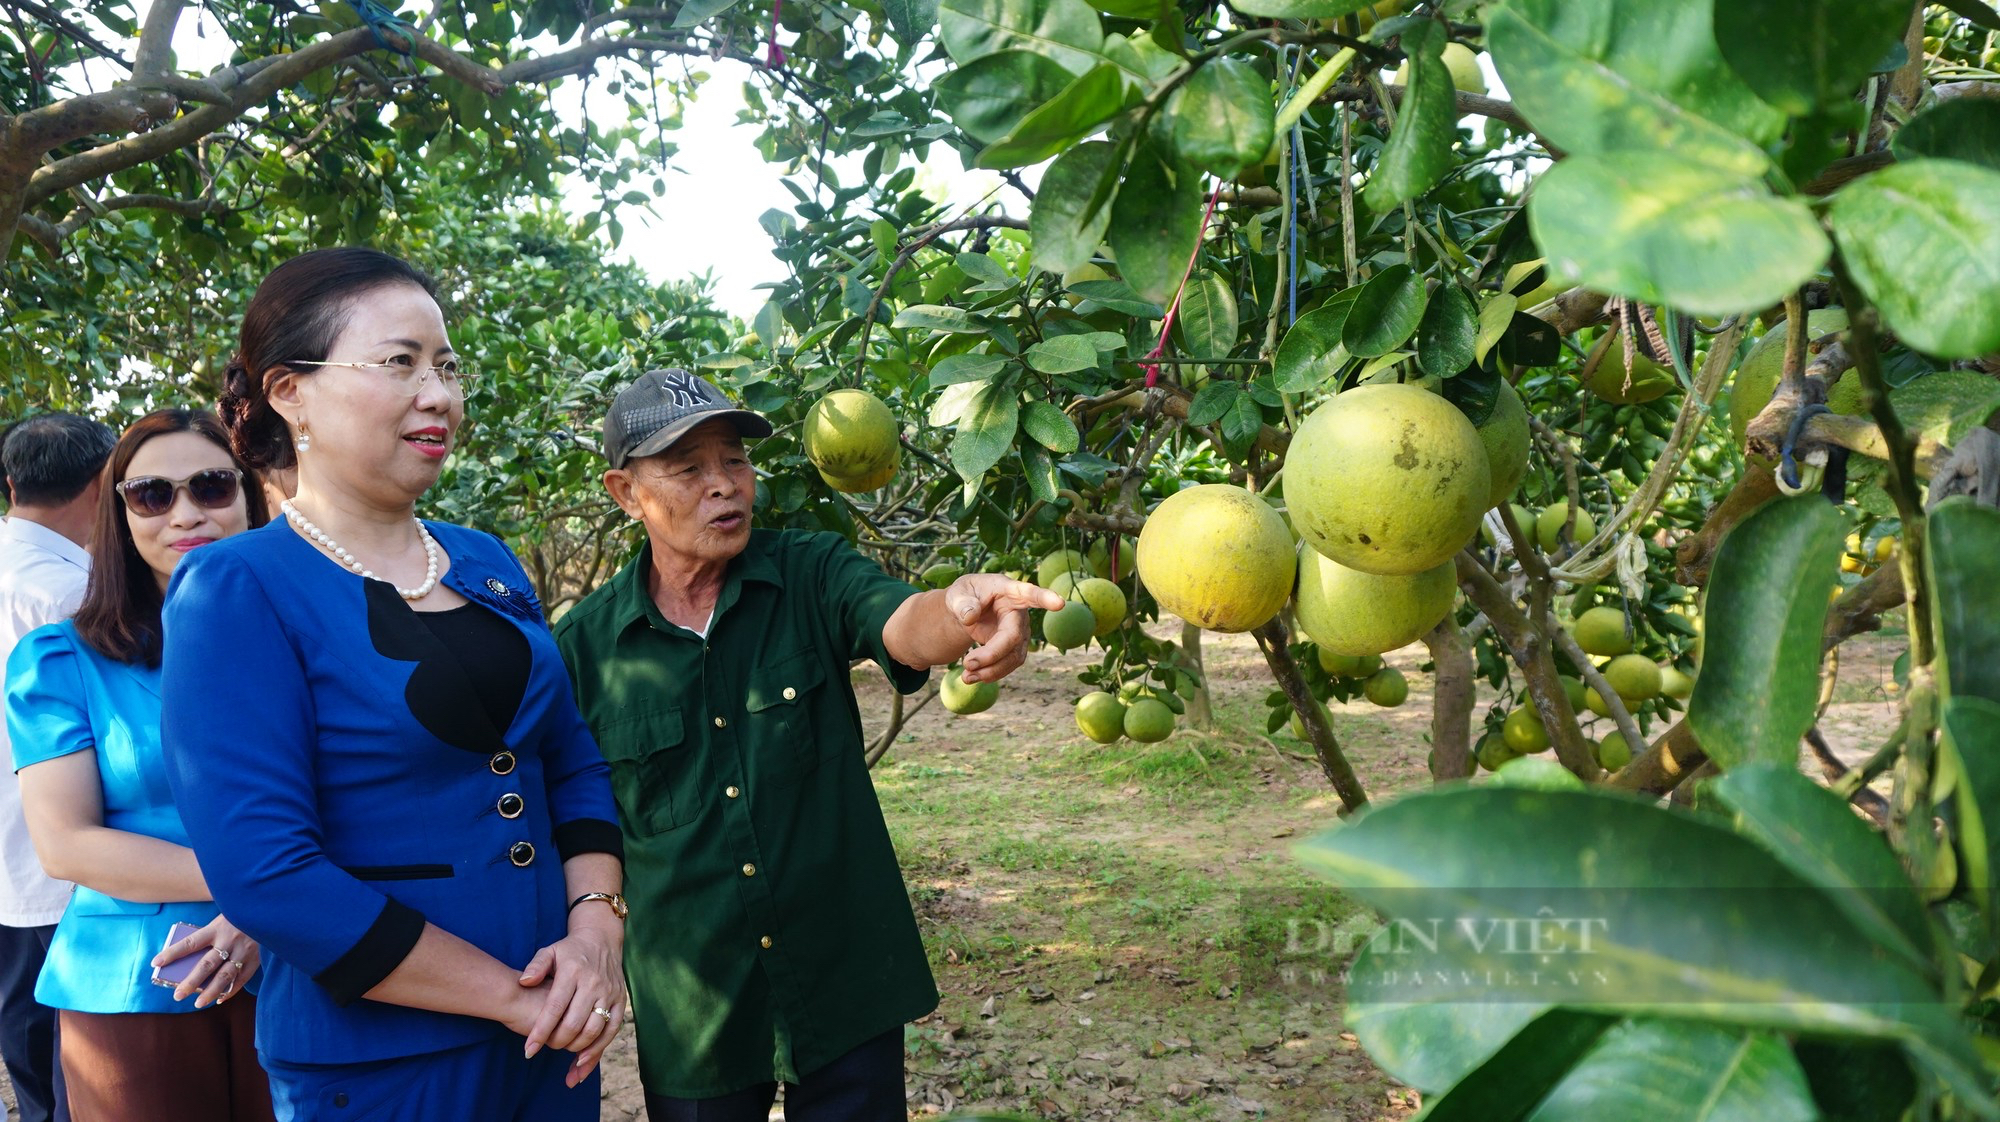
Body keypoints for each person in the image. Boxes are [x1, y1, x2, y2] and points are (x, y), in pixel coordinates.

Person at [158, 247, 626, 1122]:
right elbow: (266, 872)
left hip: (553, 1038)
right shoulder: (238, 588)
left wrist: (596, 934)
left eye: (447, 366)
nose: (439, 393)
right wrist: (511, 996)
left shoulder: (481, 558)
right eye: (399, 362)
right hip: (382, 1062)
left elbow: (568, 759)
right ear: (289, 391)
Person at [552, 368, 1062, 1121]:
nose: (724, 485)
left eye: (735, 460)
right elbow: (570, 815)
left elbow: (900, 622)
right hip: (698, 1011)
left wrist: (960, 613)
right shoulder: (582, 653)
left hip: (842, 978)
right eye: (689, 469)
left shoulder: (812, 572)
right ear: (625, 493)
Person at [6, 408, 275, 1121]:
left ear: (249, 495)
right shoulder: (60, 659)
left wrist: (272, 911)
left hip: (300, 968)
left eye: (213, 487)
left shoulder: (308, 644)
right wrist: (262, 891)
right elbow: (66, 842)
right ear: (119, 513)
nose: (185, 513)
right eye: (152, 494)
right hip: (130, 983)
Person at [0, 411, 116, 1122]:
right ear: (106, 482)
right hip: (67, 872)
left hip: (14, 867)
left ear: (12, 485)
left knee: (30, 1058)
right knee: (73, 1068)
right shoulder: (72, 595)